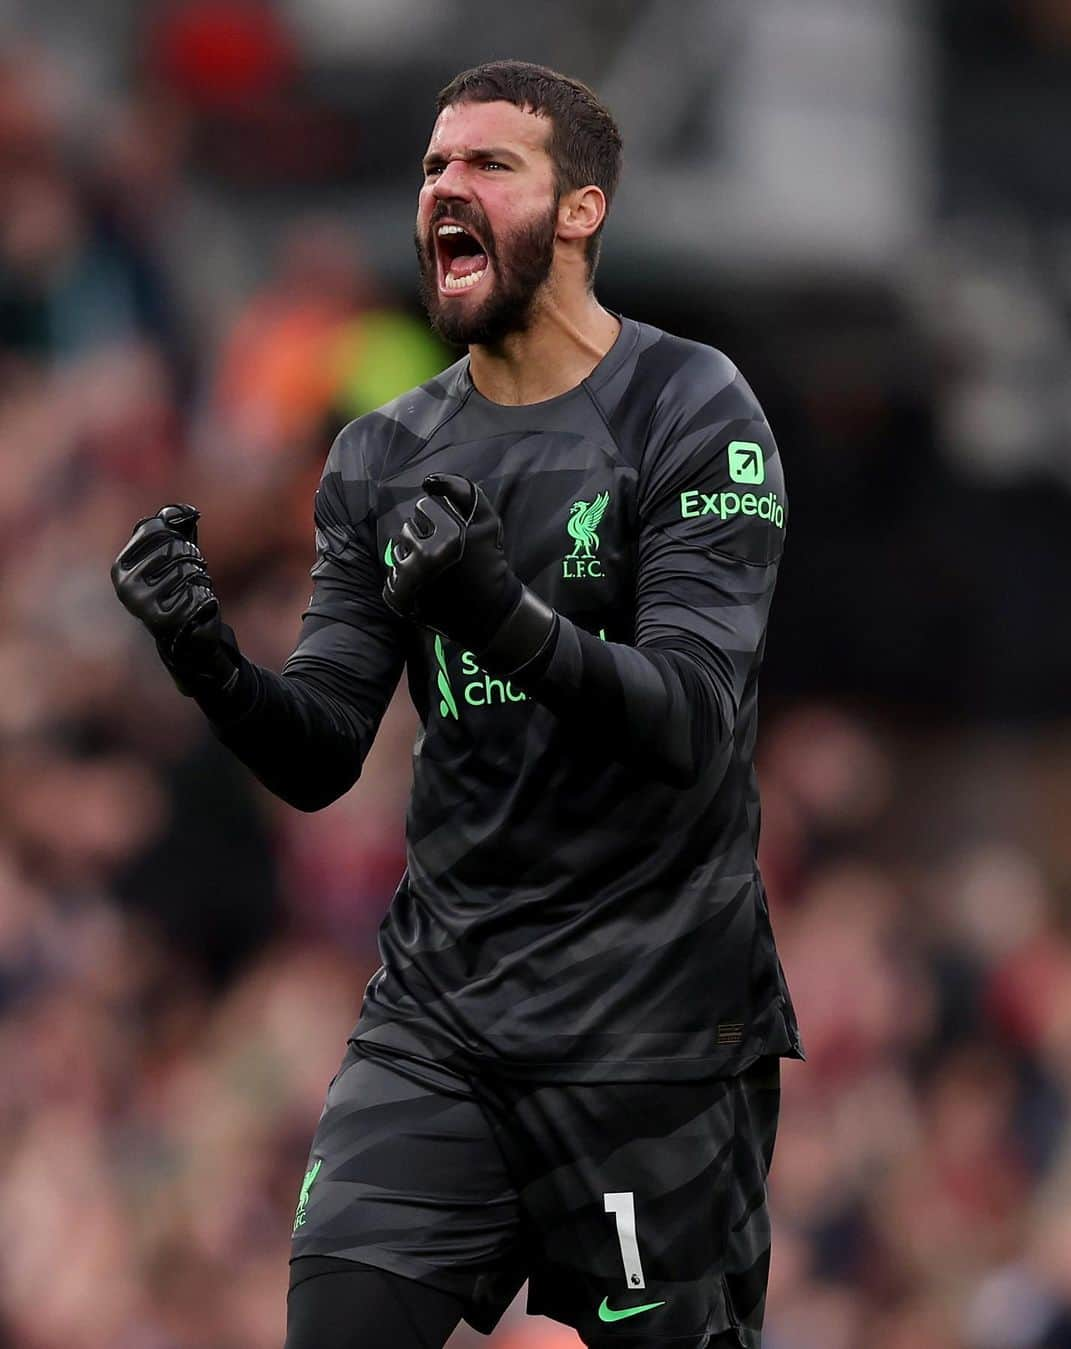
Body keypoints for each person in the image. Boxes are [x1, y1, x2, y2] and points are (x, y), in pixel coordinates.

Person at [112, 60, 803, 1349]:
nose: (445, 186)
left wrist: (505, 621)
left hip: (645, 1035)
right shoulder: (383, 454)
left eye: (488, 164)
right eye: (433, 166)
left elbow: (693, 719)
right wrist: (206, 655)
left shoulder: (691, 410)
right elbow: (323, 748)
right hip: (444, 1019)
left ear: (582, 210)